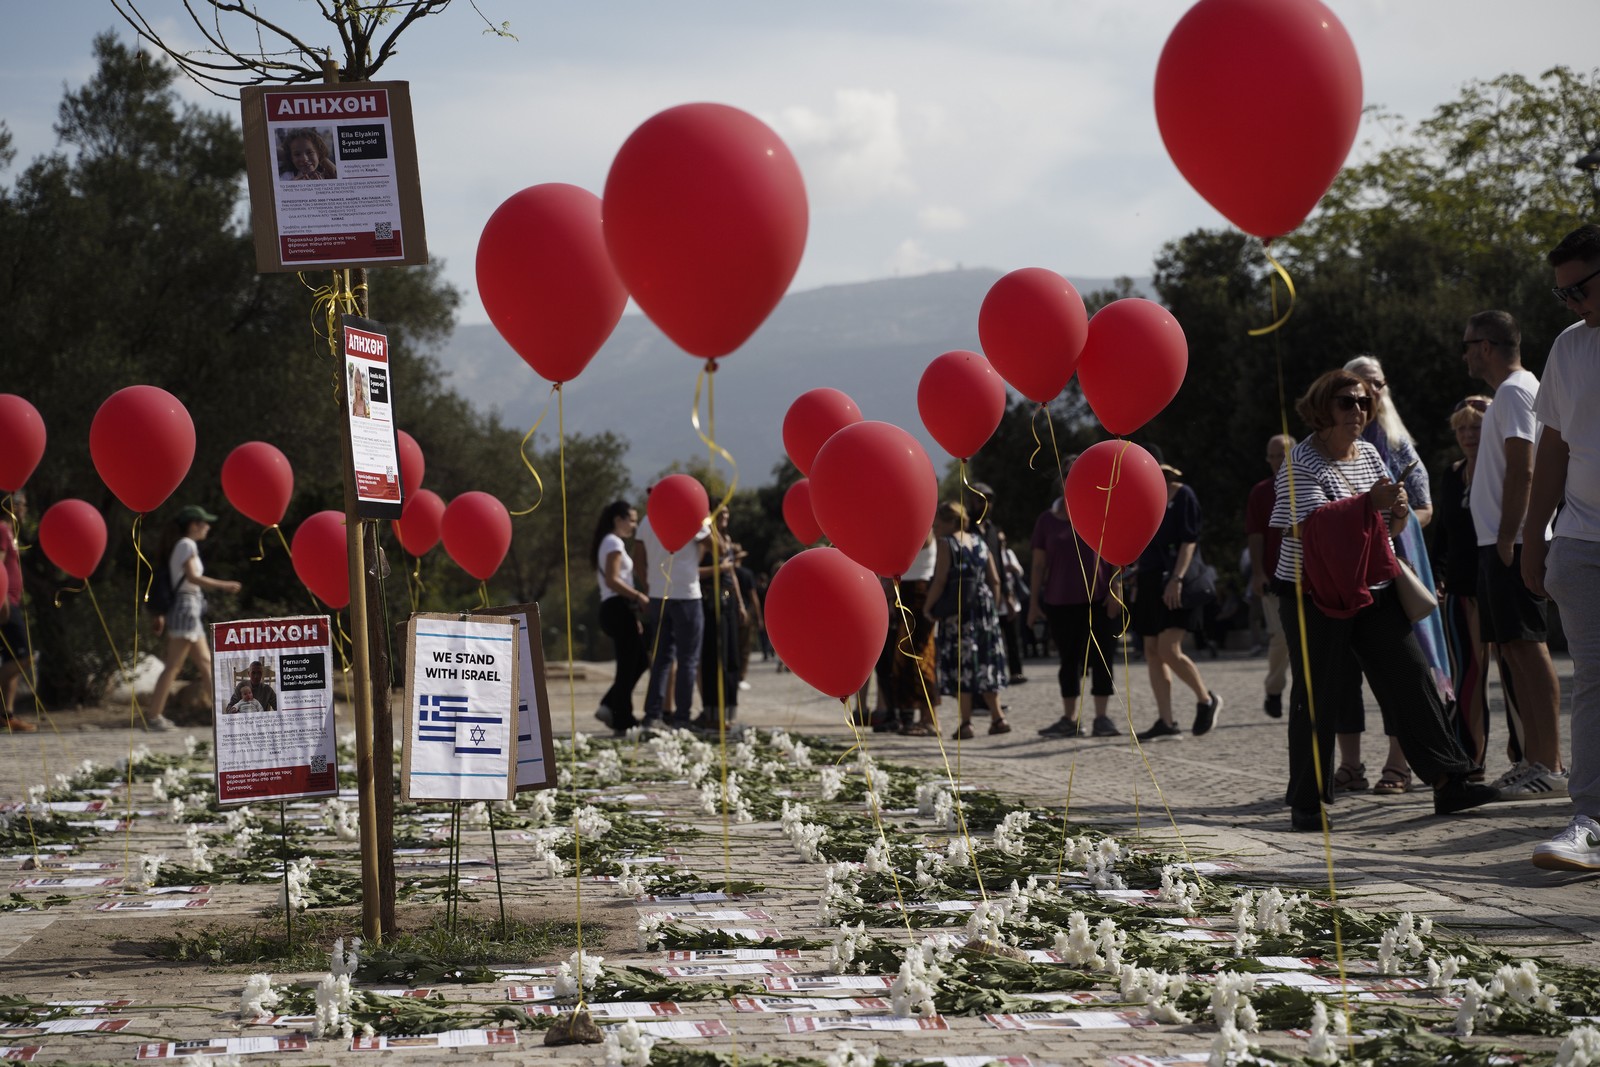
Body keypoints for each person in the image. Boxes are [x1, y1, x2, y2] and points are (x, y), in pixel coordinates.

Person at [1271, 369, 1497, 831]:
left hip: (1370, 585)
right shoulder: (1301, 462)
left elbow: (1386, 528)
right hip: (1310, 591)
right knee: (1318, 694)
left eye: (1363, 403)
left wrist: (1393, 515)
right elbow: (1304, 528)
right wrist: (1366, 507)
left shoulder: (1372, 454)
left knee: (1411, 676)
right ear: (1322, 408)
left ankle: (1449, 781)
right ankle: (1308, 803)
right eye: (1345, 402)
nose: (1357, 410)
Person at [1522, 223, 1600, 870]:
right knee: (1591, 682)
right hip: (1578, 538)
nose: (1572, 305)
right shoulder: (1568, 348)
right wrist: (1533, 534)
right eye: (1563, 296)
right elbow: (1552, 446)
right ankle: (1589, 820)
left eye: (1580, 291)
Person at [1463, 310, 1566, 798]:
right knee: (1513, 651)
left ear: (1486, 346)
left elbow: (1525, 467)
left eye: (1468, 345)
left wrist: (1509, 536)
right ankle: (1534, 758)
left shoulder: (1515, 390)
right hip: (1499, 541)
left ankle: (1548, 762)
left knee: (1528, 646)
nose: (1464, 354)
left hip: (1515, 541)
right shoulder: (1511, 392)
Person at [1338, 355, 1446, 796]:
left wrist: (1389, 524)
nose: (1369, 396)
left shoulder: (1398, 443)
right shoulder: (1333, 442)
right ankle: (1350, 765)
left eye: (1377, 385)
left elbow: (1425, 507)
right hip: (1346, 567)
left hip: (1392, 562)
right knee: (1344, 667)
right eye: (1359, 390)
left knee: (1397, 665)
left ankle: (1398, 763)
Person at [1431, 398, 1505, 772]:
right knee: (1468, 678)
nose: (1468, 435)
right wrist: (1437, 574)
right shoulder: (1451, 474)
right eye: (1461, 428)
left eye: (1475, 427)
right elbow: (1443, 532)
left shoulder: (1502, 468)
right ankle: (1468, 760)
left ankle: (1528, 759)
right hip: (1460, 589)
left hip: (1500, 582)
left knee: (1512, 675)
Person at [1131, 459, 1222, 741]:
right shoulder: (1139, 496)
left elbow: (1189, 540)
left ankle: (1206, 699)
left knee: (1169, 649)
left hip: (1176, 579)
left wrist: (1177, 579)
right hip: (1148, 578)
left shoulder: (1183, 494)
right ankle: (1166, 721)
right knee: (1151, 651)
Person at [1028, 481, 1121, 738]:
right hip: (1059, 601)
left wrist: (1117, 588)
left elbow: (1116, 552)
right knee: (1068, 661)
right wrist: (1033, 603)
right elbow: (1037, 565)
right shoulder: (1047, 520)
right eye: (1068, 476)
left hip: (1099, 598)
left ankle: (1102, 718)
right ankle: (1070, 719)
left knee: (1103, 658)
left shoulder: (1100, 512)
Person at [145, 505, 242, 731]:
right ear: (193, 525)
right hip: (186, 606)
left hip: (189, 607)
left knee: (205, 662)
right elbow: (193, 577)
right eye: (204, 522)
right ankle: (153, 716)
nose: (207, 527)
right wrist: (224, 585)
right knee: (174, 666)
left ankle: (223, 714)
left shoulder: (183, 546)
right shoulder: (186, 545)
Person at [924, 500, 1009, 739]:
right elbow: (995, 580)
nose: (936, 529)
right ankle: (998, 716)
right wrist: (993, 606)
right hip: (984, 609)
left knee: (964, 663)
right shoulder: (980, 542)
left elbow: (940, 580)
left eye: (938, 524)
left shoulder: (946, 543)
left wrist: (928, 607)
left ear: (951, 522)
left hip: (958, 611)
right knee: (986, 662)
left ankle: (967, 723)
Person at [637, 503, 710, 730]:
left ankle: (652, 715)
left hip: (659, 595)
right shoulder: (690, 515)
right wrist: (706, 520)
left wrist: (649, 585)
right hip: (687, 594)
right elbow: (715, 545)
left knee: (661, 658)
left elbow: (638, 557)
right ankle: (681, 718)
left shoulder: (647, 520)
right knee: (688, 660)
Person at [1245, 435, 1294, 719]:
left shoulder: (1308, 483)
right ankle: (1274, 689)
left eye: (1282, 455)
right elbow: (1255, 534)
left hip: (1308, 575)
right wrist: (1258, 572)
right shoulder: (1261, 492)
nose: (1277, 461)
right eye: (1272, 456)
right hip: (1274, 575)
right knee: (1281, 637)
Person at [592, 500, 651, 734]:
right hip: (617, 606)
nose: (634, 526)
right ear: (618, 520)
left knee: (637, 661)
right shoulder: (613, 542)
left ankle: (610, 705)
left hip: (621, 608)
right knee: (629, 664)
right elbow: (612, 580)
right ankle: (622, 718)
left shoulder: (611, 542)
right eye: (632, 520)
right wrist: (638, 596)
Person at [692, 508, 745, 733]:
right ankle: (713, 713)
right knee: (714, 658)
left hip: (728, 600)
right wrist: (719, 568)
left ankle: (729, 713)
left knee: (731, 658)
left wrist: (741, 603)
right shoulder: (703, 539)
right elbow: (692, 570)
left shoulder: (727, 540)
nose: (725, 516)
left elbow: (732, 573)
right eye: (720, 513)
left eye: (727, 512)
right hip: (710, 601)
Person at [0, 490, 36, 732]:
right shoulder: (2, 529)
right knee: (25, 658)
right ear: (9, 505)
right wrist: (2, 600)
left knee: (12, 658)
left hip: (11, 600)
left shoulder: (11, 531)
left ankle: (6, 716)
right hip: (4, 604)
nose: (25, 508)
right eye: (21, 504)